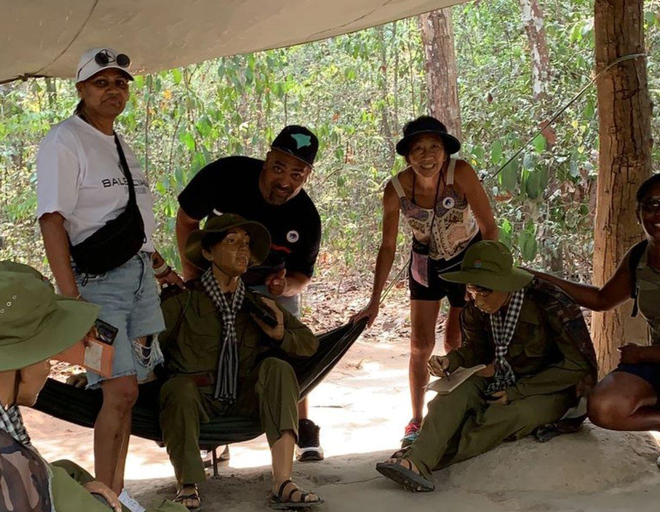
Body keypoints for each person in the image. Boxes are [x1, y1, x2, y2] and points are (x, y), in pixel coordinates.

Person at [36, 47, 183, 501]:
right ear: (80, 89)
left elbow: (135, 223)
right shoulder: (66, 140)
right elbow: (52, 220)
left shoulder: (121, 144)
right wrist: (72, 299)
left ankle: (113, 494)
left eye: (120, 83)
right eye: (102, 82)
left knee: (130, 392)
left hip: (139, 280)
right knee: (117, 391)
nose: (113, 90)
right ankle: (106, 498)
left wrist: (159, 268)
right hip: (100, 285)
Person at [0, 262, 185, 512]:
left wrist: (62, 487)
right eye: (46, 356)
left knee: (68, 471)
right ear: (18, 359)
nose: (48, 367)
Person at [375, 241, 596, 492]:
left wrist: (517, 392)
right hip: (500, 375)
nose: (477, 299)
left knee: (505, 416)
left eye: (484, 292)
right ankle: (416, 461)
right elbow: (477, 350)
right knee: (450, 396)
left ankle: (423, 458)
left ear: (506, 284)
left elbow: (577, 366)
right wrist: (452, 361)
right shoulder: (478, 306)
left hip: (549, 388)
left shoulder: (550, 303)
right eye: (471, 290)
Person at [531, 173, 660, 492]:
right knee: (603, 407)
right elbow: (601, 299)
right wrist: (541, 278)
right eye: (651, 205)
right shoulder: (639, 257)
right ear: (639, 213)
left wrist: (643, 354)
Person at [175, 126, 325, 461]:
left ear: (308, 176)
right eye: (279, 168)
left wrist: (283, 287)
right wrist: (193, 275)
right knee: (206, 346)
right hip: (213, 276)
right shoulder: (225, 175)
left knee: (291, 347)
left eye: (297, 173)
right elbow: (186, 221)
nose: (285, 181)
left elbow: (302, 276)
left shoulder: (306, 218)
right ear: (266, 160)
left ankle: (302, 425)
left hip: (268, 286)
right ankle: (213, 431)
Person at [158, 214, 322, 510]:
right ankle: (187, 484)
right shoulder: (182, 303)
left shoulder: (257, 305)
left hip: (245, 398)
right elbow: (146, 351)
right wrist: (94, 379)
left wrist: (280, 332)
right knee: (177, 388)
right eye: (232, 242)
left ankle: (283, 481)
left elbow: (310, 345)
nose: (243, 250)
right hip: (198, 400)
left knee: (277, 368)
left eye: (246, 244)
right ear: (208, 252)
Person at [352, 116, 499, 447]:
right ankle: (416, 420)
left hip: (467, 260)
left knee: (455, 341)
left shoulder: (460, 173)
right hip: (425, 262)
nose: (427, 155)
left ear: (445, 152)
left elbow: (489, 227)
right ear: (408, 156)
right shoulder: (396, 190)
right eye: (418, 149)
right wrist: (373, 301)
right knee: (419, 345)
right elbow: (387, 246)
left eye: (434, 147)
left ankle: (457, 413)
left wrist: (489, 275)